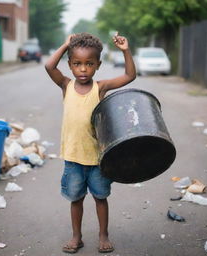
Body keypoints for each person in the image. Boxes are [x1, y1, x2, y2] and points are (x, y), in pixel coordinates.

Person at [45, 32, 136, 254]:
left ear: (98, 65)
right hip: (73, 158)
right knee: (75, 200)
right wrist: (66, 43)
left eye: (89, 64)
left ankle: (103, 235)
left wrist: (125, 50)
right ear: (69, 64)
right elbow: (49, 66)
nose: (83, 69)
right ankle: (77, 236)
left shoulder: (100, 88)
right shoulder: (65, 85)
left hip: (98, 159)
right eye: (77, 64)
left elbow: (129, 76)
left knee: (100, 198)